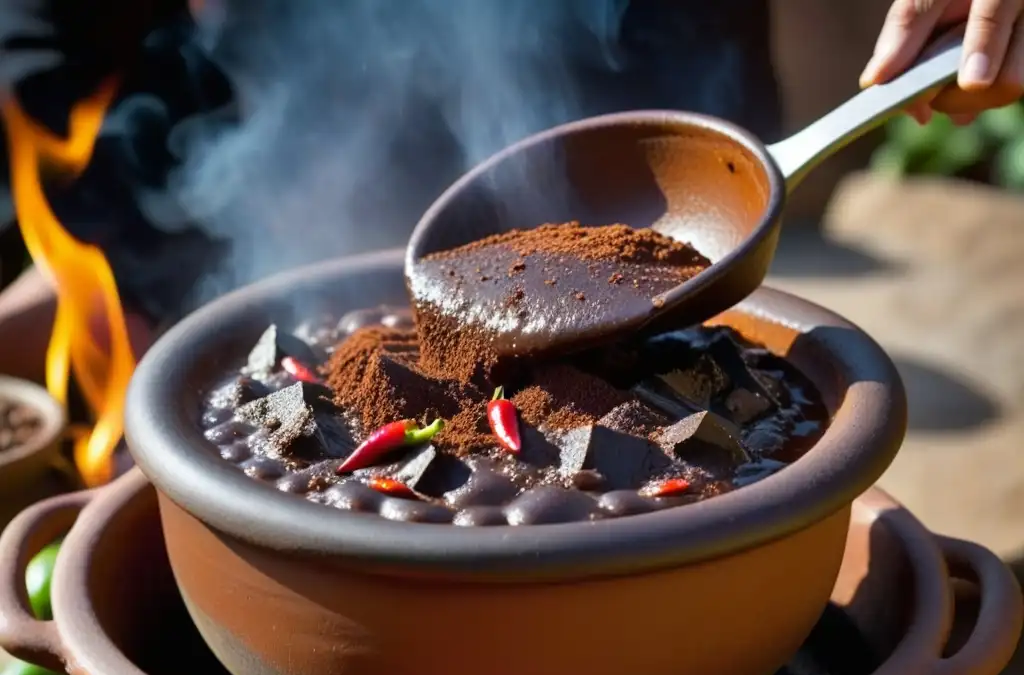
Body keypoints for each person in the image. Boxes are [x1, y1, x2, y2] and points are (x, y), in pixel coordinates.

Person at [0, 0, 1022, 384]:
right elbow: (42, 53)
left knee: (686, 372)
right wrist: (104, 258)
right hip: (311, 128)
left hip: (653, 102)